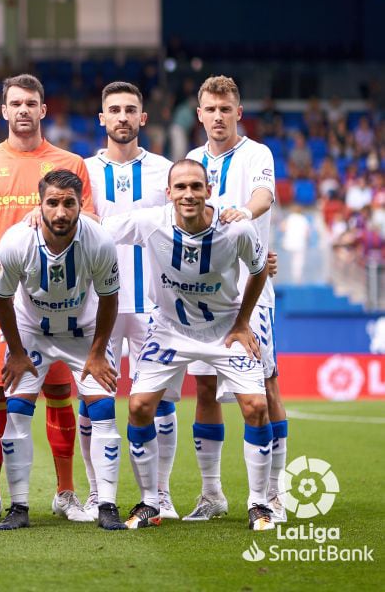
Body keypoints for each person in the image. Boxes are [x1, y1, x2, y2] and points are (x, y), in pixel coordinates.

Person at [102, 158, 275, 531]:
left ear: (209, 190)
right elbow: (98, 228)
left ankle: (259, 504)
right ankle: (151, 502)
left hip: (225, 329)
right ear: (169, 193)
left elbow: (260, 270)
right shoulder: (150, 221)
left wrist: (244, 321)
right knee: (139, 406)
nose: (189, 194)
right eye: (180, 187)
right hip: (169, 330)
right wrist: (41, 217)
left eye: (196, 186)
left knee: (257, 407)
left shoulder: (237, 229)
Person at [0, 74, 94, 523]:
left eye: (30, 102)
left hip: (60, 298)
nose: (22, 110)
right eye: (14, 103)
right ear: (3, 111)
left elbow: (88, 222)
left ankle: (66, 492)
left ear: (43, 110)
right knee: (0, 393)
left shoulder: (70, 162)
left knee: (58, 392)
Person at [0, 169, 122, 530]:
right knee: (16, 413)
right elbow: (0, 299)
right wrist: (15, 352)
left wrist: (96, 354)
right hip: (32, 333)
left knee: (104, 408)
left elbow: (109, 299)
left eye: (69, 203)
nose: (60, 212)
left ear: (80, 205)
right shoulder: (17, 241)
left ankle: (107, 504)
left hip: (84, 333)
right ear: (40, 203)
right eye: (53, 203)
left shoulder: (99, 241)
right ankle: (19, 507)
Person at [182, 76, 288, 524]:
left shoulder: (257, 154)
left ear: (238, 113)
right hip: (202, 294)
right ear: (200, 113)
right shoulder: (189, 161)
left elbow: (263, 195)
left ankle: (271, 494)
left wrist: (245, 211)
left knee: (264, 388)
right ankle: (211, 494)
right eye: (211, 109)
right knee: (204, 387)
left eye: (226, 109)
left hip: (251, 289)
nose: (219, 116)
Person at [83, 82, 178, 520]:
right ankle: (94, 492)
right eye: (113, 110)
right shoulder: (81, 170)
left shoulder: (165, 171)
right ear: (101, 119)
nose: (122, 117)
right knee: (94, 402)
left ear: (143, 118)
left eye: (130, 110)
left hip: (153, 305)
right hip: (95, 304)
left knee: (158, 402)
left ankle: (160, 493)